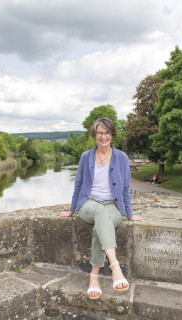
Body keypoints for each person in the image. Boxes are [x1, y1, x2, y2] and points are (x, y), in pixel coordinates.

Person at [58, 118, 144, 300]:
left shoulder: (121, 157)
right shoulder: (85, 157)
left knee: (101, 223)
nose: (103, 137)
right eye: (99, 133)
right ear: (94, 135)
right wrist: (71, 210)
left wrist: (129, 214)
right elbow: (79, 184)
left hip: (113, 206)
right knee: (99, 212)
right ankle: (115, 267)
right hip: (89, 204)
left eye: (107, 133)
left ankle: (94, 277)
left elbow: (125, 189)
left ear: (112, 134)